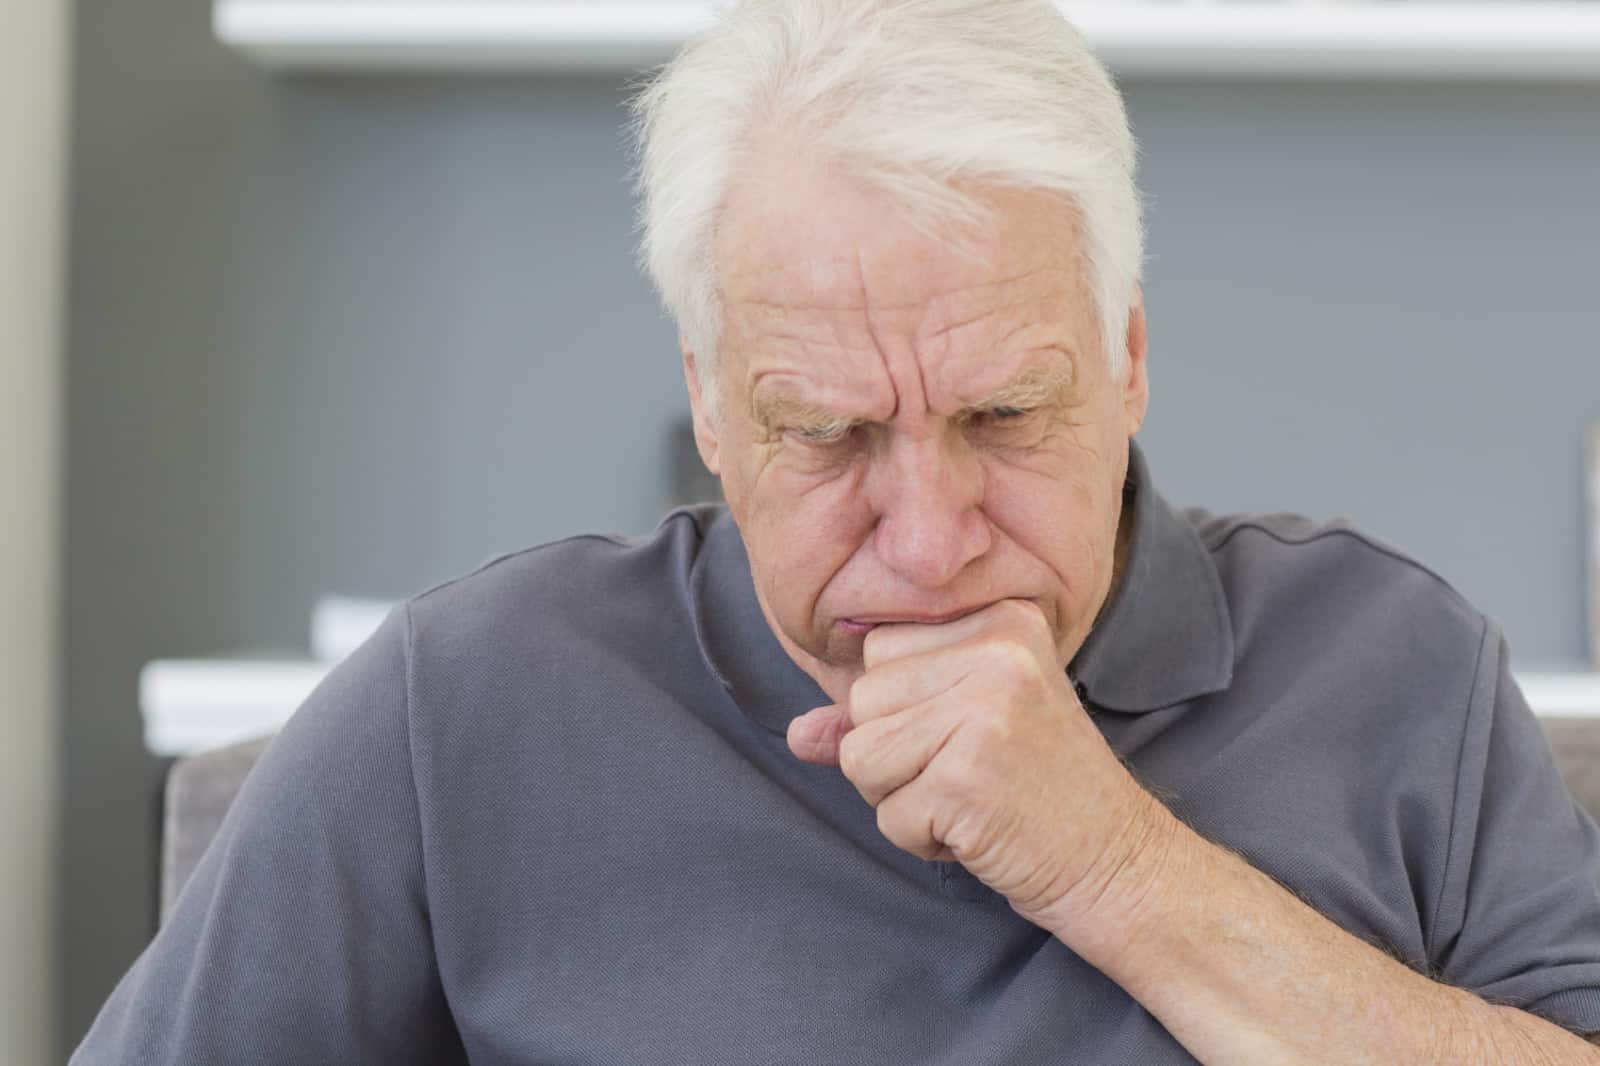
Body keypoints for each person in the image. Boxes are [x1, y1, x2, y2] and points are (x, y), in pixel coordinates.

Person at [74, 1, 1600, 1062]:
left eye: (1005, 415)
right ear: (715, 410)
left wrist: (1113, 864)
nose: (930, 543)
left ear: (1128, 360)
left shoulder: (1402, 674)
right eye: (830, 433)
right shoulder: (454, 708)